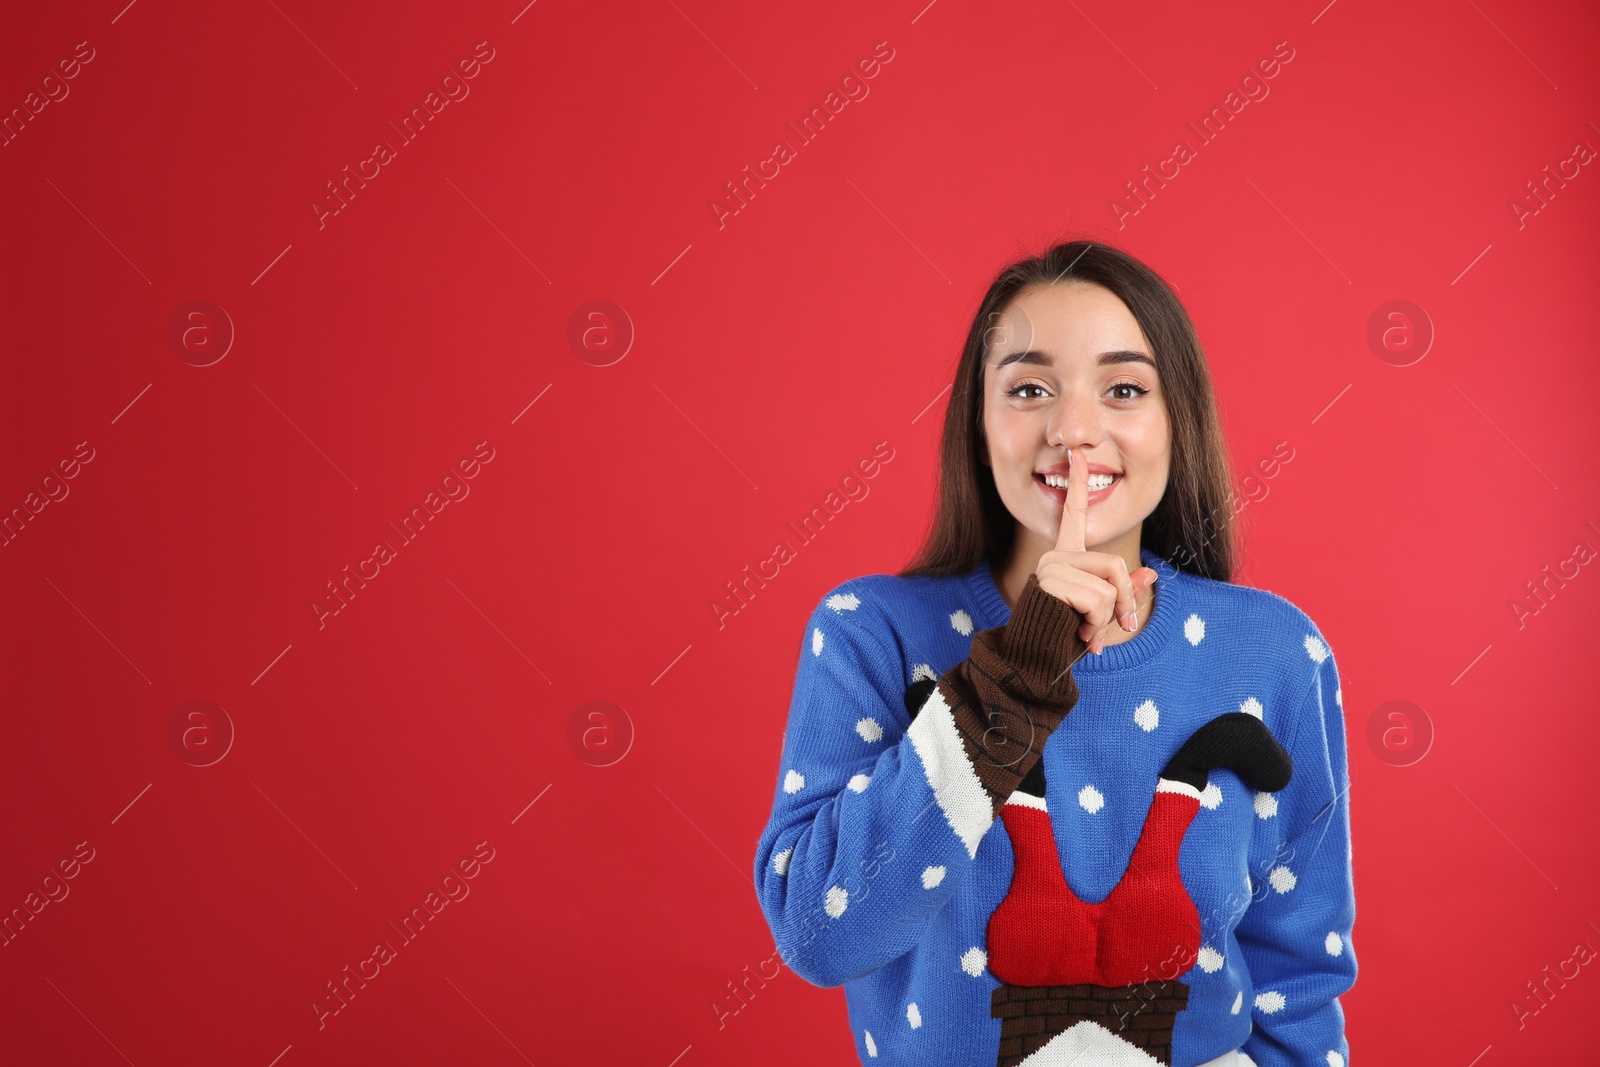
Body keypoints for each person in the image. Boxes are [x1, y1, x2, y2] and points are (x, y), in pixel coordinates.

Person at [751, 240, 1355, 1067]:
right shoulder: (872, 634)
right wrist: (1020, 666)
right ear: (980, 422)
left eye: (1124, 389)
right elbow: (818, 932)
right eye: (1029, 388)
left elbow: (1301, 982)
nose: (1074, 430)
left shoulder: (1276, 651)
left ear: (1177, 420)